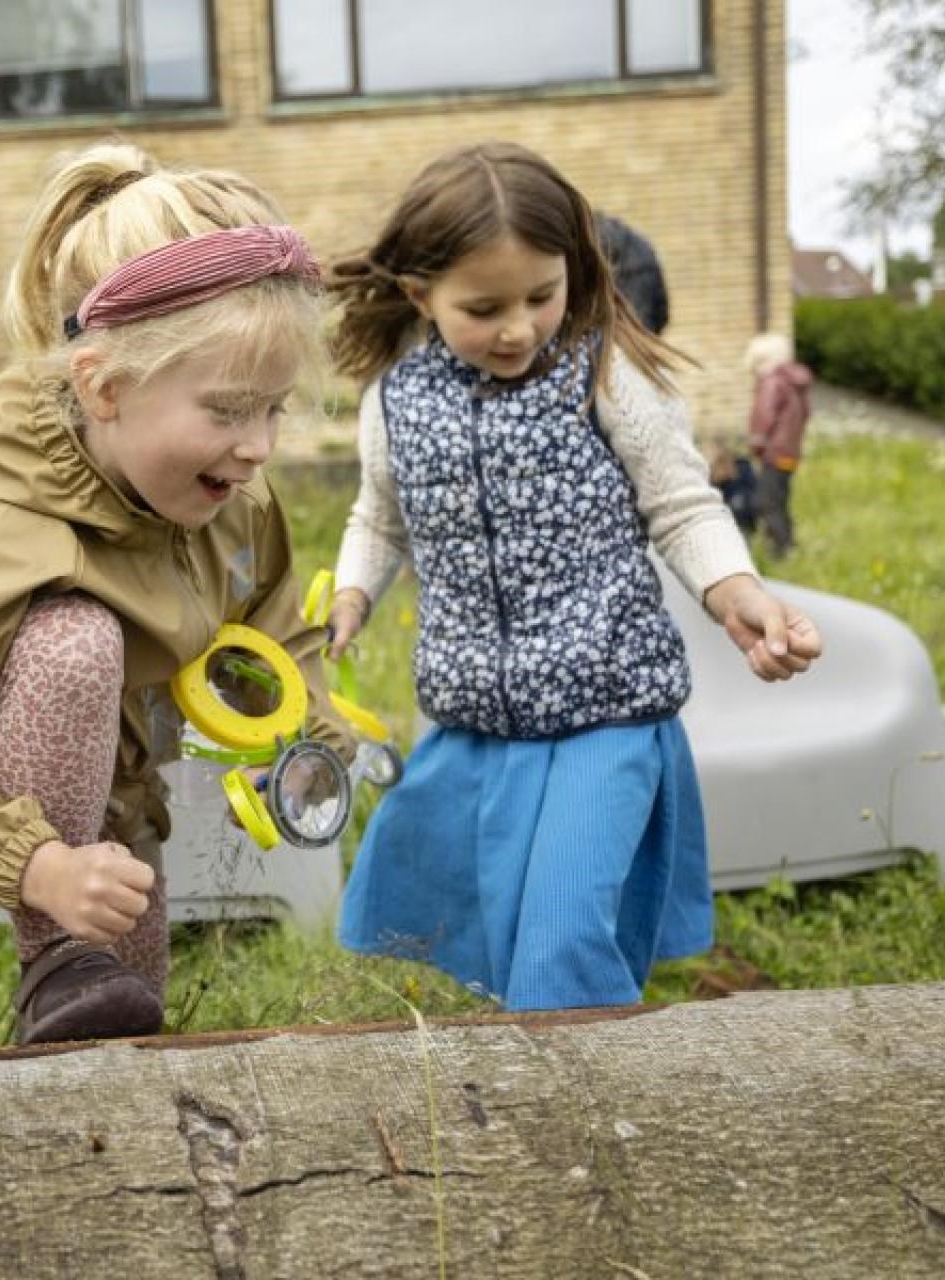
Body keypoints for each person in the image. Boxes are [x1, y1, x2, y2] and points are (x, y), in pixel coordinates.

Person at [0, 142, 349, 1045]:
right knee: (75, 640)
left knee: (124, 1028)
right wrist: (39, 869)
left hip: (127, 820)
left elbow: (277, 636)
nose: (260, 446)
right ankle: (57, 962)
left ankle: (92, 1017)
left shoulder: (233, 506)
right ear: (103, 387)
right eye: (229, 410)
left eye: (274, 408)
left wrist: (304, 738)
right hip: (24, 837)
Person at [322, 141, 823, 1011]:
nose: (518, 328)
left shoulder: (603, 371)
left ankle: (588, 1077)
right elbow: (379, 517)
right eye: (484, 308)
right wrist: (352, 593)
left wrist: (736, 592)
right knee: (499, 932)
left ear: (570, 271)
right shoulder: (394, 398)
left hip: (608, 707)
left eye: (541, 296)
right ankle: (539, 1059)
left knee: (562, 936)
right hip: (479, 722)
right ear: (420, 294)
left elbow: (681, 504)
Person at [744, 332, 813, 558]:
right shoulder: (795, 382)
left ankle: (780, 549)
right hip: (791, 452)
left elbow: (764, 415)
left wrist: (756, 443)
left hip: (774, 452)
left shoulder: (772, 381)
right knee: (780, 498)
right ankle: (789, 543)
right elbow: (806, 414)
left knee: (766, 502)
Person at [594, 212, 670, 335]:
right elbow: (662, 312)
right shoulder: (643, 249)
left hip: (613, 338)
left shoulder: (588, 258)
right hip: (644, 337)